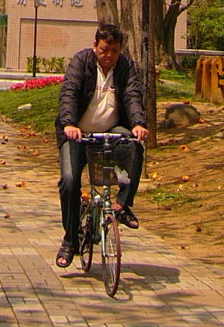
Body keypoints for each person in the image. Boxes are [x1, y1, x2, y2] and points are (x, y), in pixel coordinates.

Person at [54, 23, 148, 268]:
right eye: (105, 49)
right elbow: (70, 93)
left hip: (109, 132)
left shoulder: (125, 66)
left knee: (133, 145)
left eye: (114, 50)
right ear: (95, 46)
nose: (109, 56)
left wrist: (138, 123)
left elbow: (132, 95)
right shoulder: (81, 62)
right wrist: (69, 124)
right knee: (70, 181)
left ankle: (122, 205)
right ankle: (70, 240)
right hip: (77, 134)